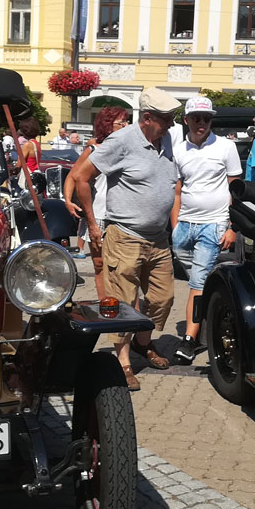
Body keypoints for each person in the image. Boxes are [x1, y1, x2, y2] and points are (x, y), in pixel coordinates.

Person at [69, 86, 179, 390]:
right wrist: (92, 224)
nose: (171, 123)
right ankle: (123, 362)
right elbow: (81, 176)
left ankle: (143, 343)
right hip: (125, 237)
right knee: (123, 304)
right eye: (166, 118)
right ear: (147, 118)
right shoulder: (121, 140)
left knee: (163, 299)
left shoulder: (165, 138)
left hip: (158, 239)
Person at [170, 96, 241, 364]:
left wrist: (232, 227)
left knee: (197, 283)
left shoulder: (226, 147)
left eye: (207, 118)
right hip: (184, 227)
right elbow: (177, 191)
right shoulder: (178, 151)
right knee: (198, 282)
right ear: (186, 120)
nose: (202, 123)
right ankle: (210, 318)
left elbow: (236, 191)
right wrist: (175, 227)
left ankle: (189, 340)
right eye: (196, 118)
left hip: (214, 225)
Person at [64, 105, 131, 300]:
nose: (127, 126)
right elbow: (73, 176)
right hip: (98, 214)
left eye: (127, 122)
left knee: (125, 267)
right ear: (108, 125)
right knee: (100, 264)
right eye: (122, 123)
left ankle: (126, 305)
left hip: (123, 216)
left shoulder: (130, 148)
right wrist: (68, 201)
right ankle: (106, 304)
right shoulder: (93, 149)